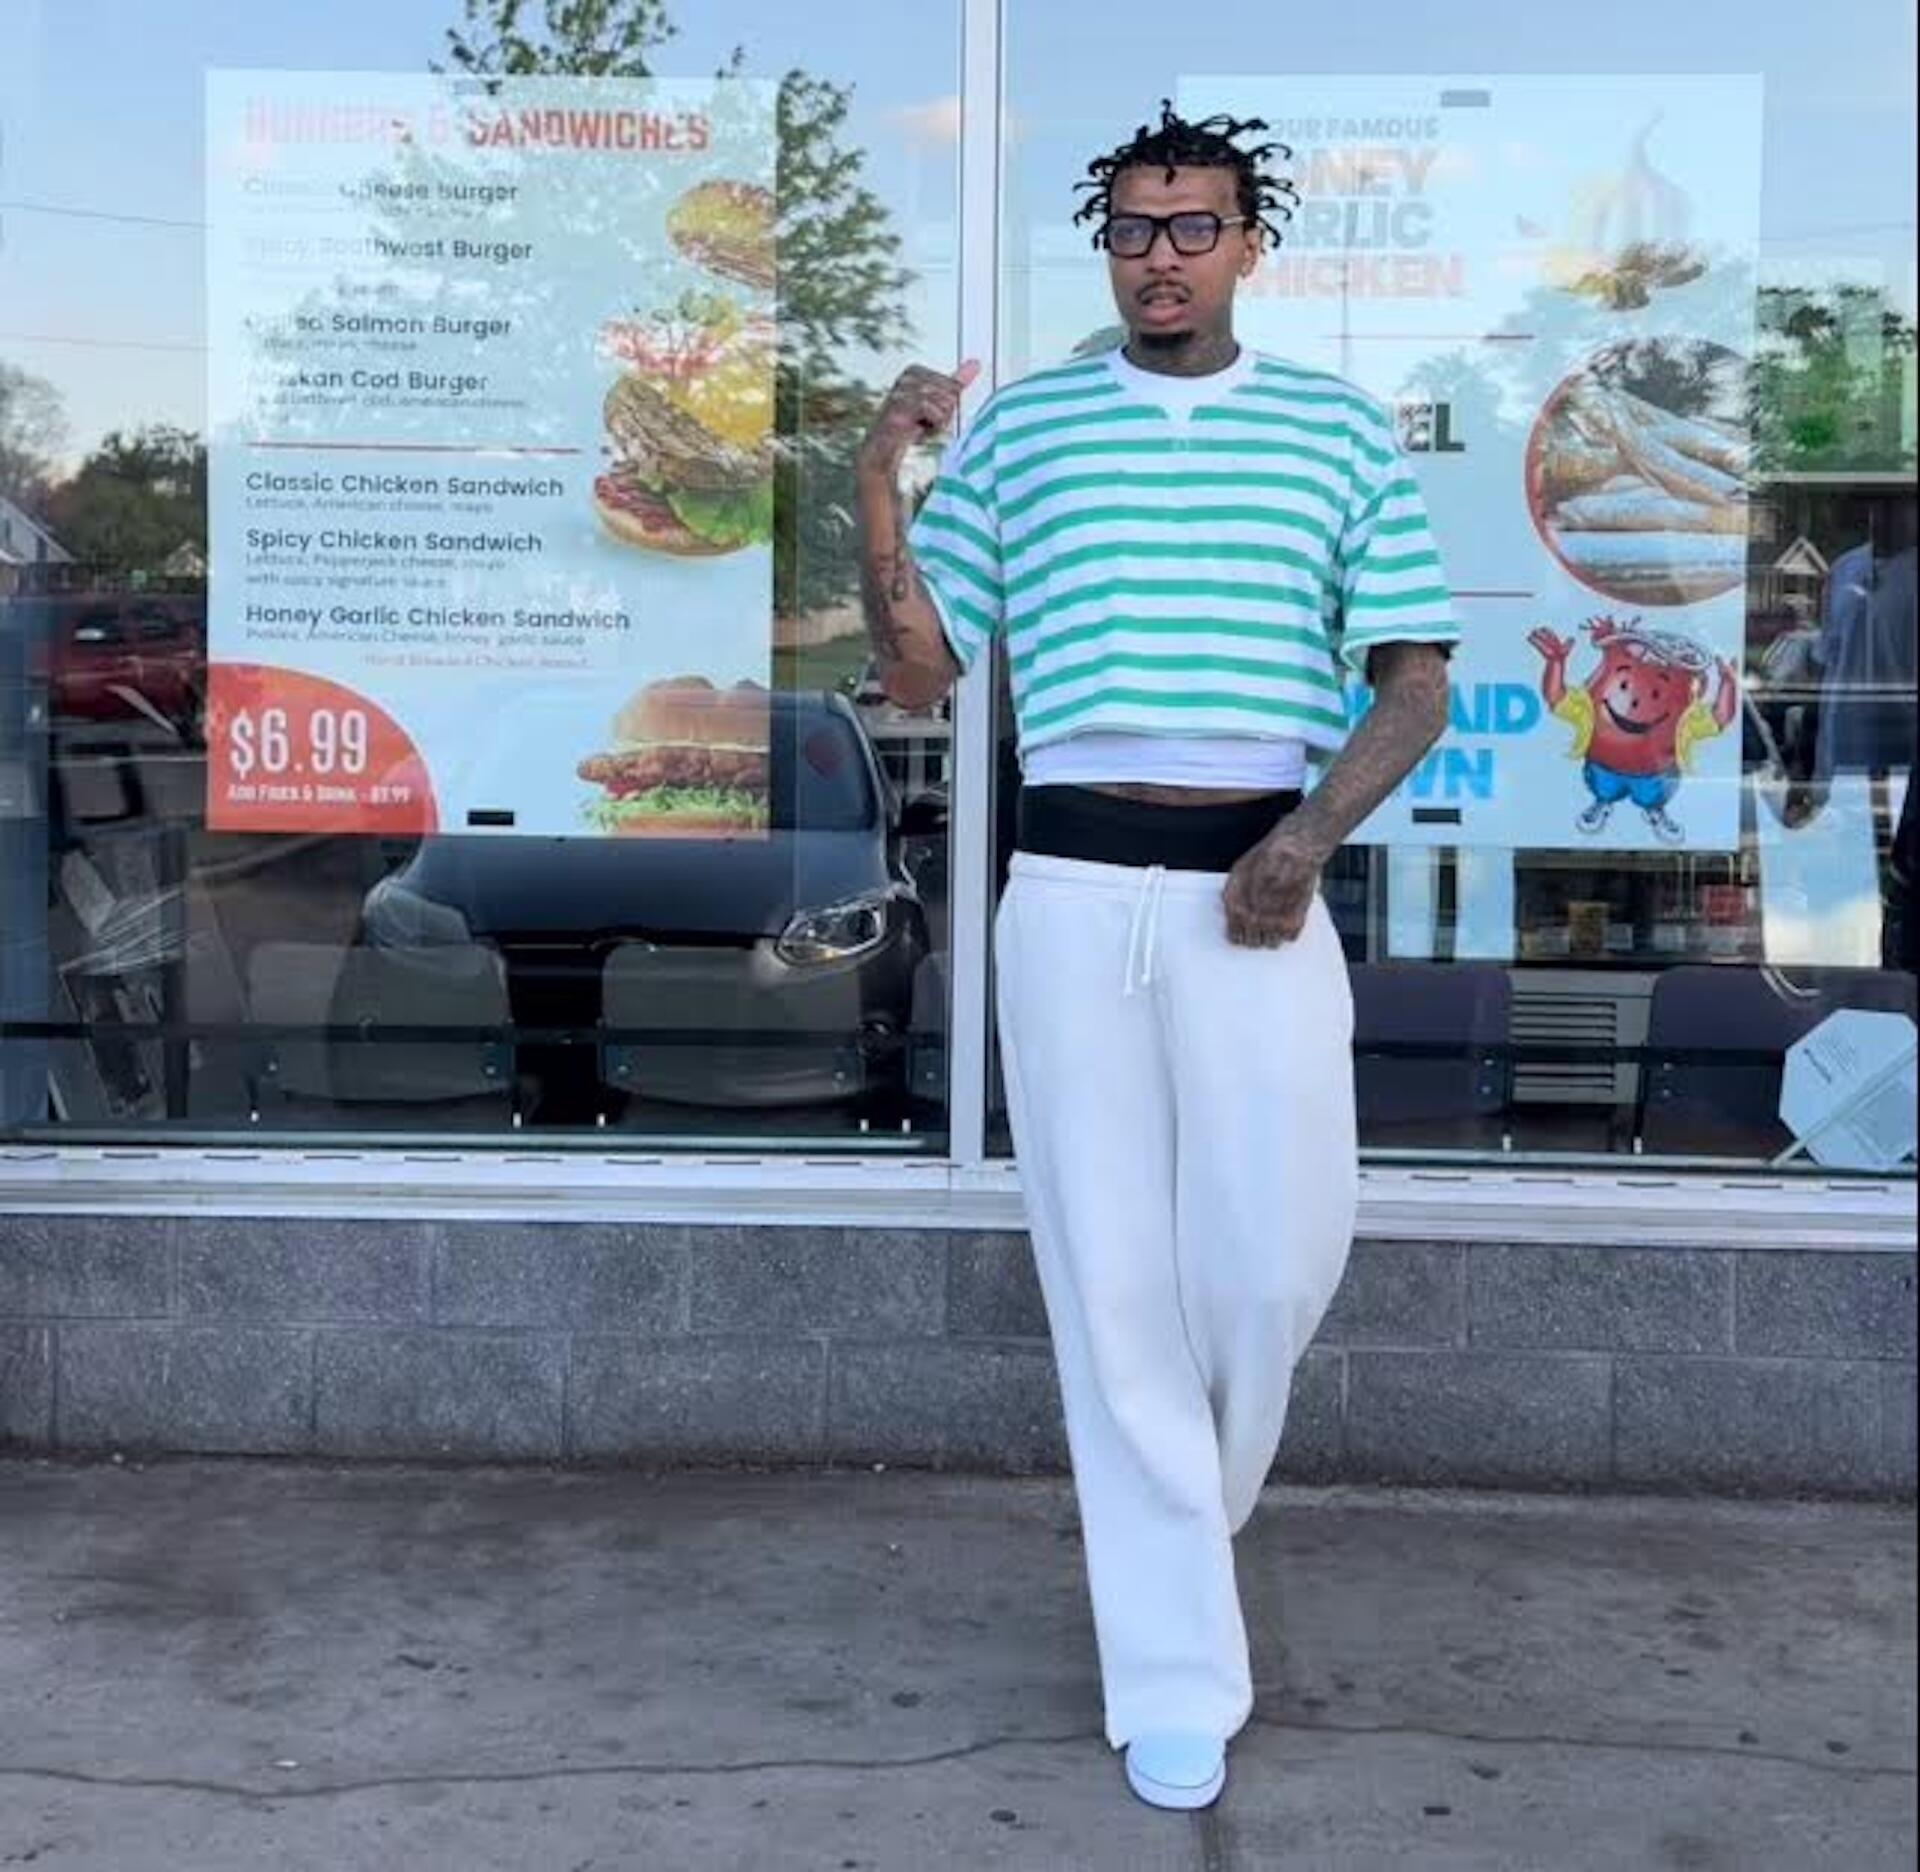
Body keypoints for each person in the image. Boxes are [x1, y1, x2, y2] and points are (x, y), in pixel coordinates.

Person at [855, 103, 1456, 1812]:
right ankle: (1176, 1666)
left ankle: (1182, 1513)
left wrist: (1306, 839)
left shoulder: (1334, 431)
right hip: (1068, 893)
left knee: (1269, 1263)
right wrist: (876, 481)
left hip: (1259, 886)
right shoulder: (1033, 431)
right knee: (1111, 1287)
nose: (1161, 257)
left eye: (1194, 227)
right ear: (1105, 249)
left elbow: (1414, 681)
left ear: (1250, 245)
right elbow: (922, 671)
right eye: (1132, 229)